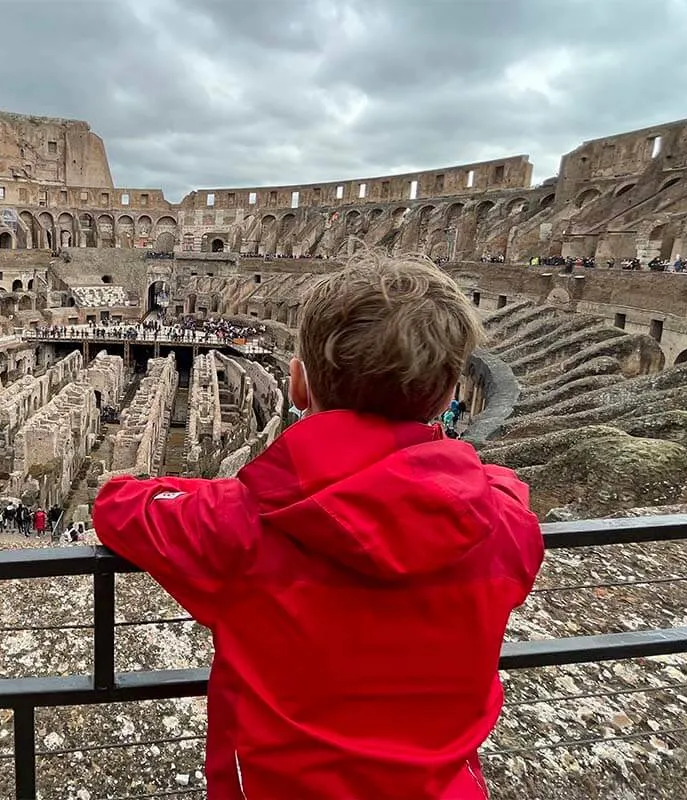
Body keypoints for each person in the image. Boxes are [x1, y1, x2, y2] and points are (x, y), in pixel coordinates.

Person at [93, 251, 543, 799]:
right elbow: (504, 487)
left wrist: (226, 492)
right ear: (451, 395)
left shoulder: (239, 524)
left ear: (298, 385)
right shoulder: (506, 527)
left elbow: (117, 503)